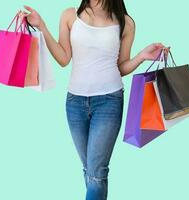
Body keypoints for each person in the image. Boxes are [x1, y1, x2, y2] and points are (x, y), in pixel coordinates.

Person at [22, 1, 167, 199]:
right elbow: (64, 59)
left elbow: (121, 66)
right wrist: (42, 26)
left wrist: (141, 56)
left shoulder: (126, 22)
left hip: (109, 101)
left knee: (97, 173)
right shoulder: (70, 15)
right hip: (75, 103)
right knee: (89, 170)